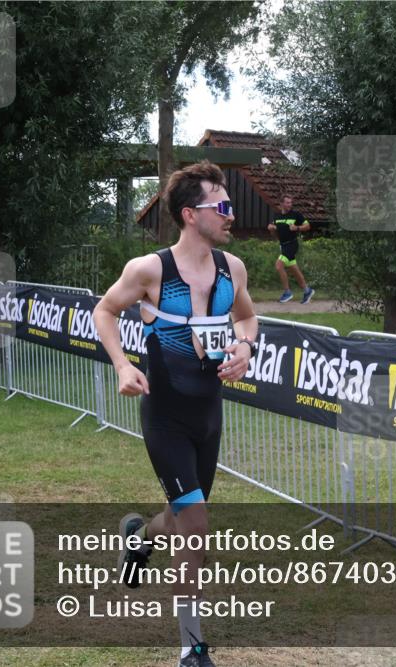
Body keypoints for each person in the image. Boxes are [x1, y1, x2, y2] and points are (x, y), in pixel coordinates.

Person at [94, 161, 258, 667]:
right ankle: (192, 645)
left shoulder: (234, 270)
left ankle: (139, 538)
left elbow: (248, 317)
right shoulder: (150, 270)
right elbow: (105, 311)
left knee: (184, 515)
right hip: (164, 415)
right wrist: (122, 364)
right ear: (191, 214)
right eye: (222, 206)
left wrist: (246, 348)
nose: (231, 214)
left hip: (208, 416)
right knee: (197, 521)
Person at [267, 194, 315, 304]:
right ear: (281, 204)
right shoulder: (277, 216)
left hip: (292, 244)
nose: (290, 205)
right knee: (294, 269)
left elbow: (307, 226)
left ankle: (287, 292)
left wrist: (297, 227)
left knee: (279, 265)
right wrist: (271, 229)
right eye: (287, 202)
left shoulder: (296, 215)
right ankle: (307, 290)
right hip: (283, 245)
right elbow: (275, 231)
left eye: (291, 202)